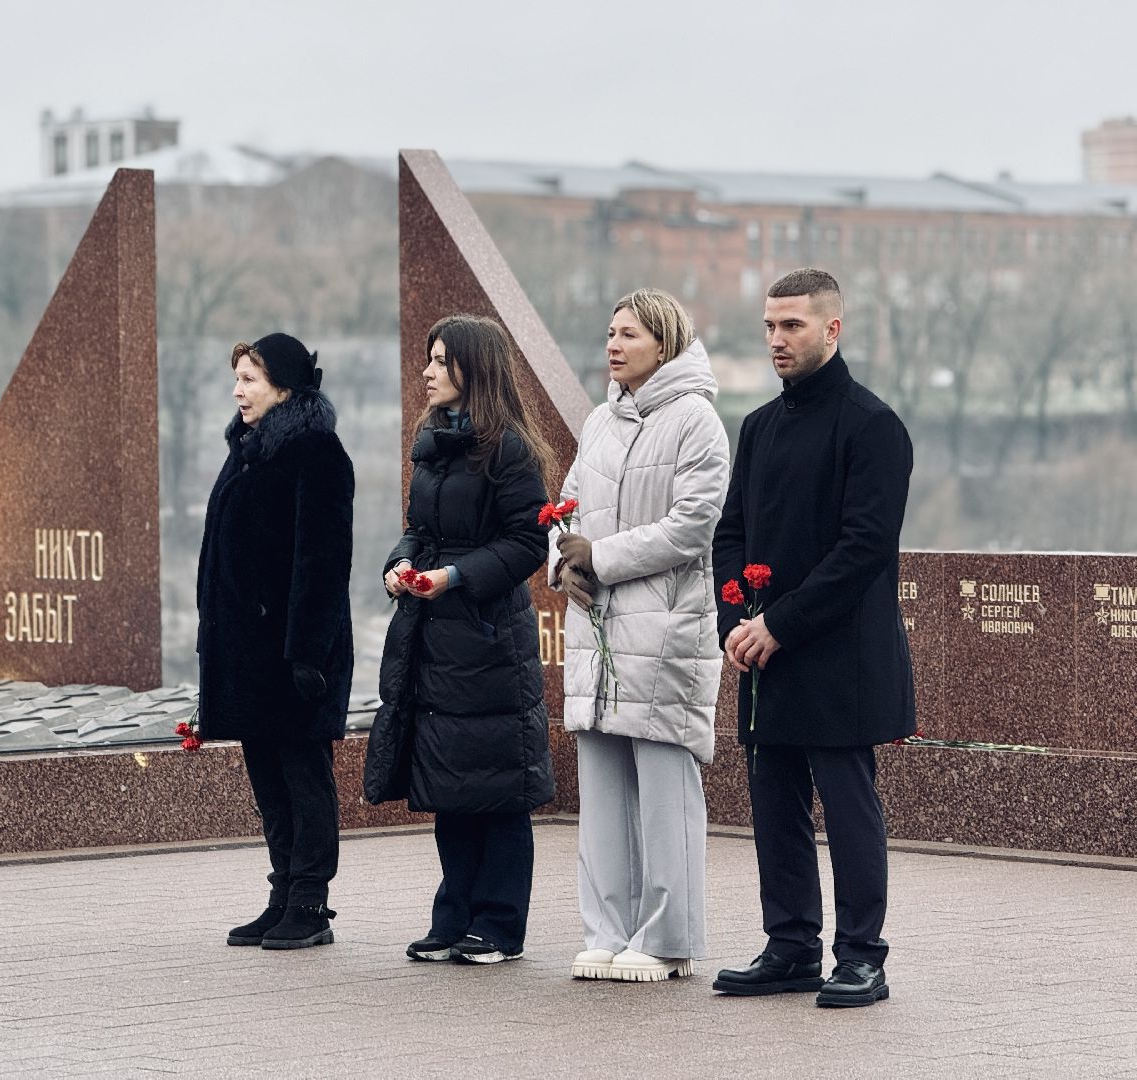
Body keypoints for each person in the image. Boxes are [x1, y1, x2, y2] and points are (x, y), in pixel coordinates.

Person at [710, 268, 915, 1008]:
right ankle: (791, 946)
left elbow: (864, 550)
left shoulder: (873, 425)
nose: (775, 340)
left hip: (841, 658)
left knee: (848, 806)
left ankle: (862, 955)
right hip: (765, 653)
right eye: (769, 325)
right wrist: (736, 617)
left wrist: (778, 624)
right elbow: (730, 533)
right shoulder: (760, 426)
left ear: (833, 329)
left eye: (792, 326)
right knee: (774, 805)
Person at [547, 288, 729, 983]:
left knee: (664, 793)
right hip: (598, 631)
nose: (613, 345)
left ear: (665, 342)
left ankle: (668, 938)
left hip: (666, 632)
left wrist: (604, 557)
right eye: (609, 333)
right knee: (601, 793)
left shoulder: (697, 422)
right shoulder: (600, 421)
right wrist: (563, 561)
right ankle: (608, 929)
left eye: (628, 334)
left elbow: (692, 526)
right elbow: (562, 510)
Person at [364, 313, 556, 965]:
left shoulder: (509, 448)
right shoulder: (432, 441)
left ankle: (500, 926)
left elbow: (529, 542)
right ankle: (454, 916)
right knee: (449, 782)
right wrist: (400, 564)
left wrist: (452, 577)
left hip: (488, 639)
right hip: (432, 639)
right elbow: (418, 527)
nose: (428, 371)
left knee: (496, 789)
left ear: (475, 368)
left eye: (441, 360)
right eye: (429, 358)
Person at [196, 332, 355, 950]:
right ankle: (283, 892)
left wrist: (307, 655)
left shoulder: (316, 452)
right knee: (266, 773)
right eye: (236, 378)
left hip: (295, 654)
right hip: (246, 652)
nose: (238, 391)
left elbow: (322, 562)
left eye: (250, 380)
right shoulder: (248, 448)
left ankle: (312, 903)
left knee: (302, 774)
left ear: (284, 386)